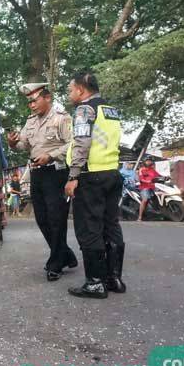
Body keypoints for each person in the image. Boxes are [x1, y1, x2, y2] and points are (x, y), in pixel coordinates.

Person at [7, 82, 78, 281]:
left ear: (47, 98)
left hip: (56, 173)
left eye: (34, 100)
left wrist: (52, 155)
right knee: (42, 219)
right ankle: (66, 254)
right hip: (37, 174)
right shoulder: (30, 121)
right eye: (29, 102)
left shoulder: (62, 119)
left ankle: (55, 263)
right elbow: (23, 144)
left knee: (56, 219)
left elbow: (74, 144)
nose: (31, 105)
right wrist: (13, 143)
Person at [64, 71, 126, 299]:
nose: (69, 93)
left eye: (71, 89)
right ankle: (114, 279)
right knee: (111, 226)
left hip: (91, 177)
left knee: (89, 228)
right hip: (112, 173)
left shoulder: (84, 109)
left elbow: (81, 143)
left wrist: (73, 176)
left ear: (81, 89)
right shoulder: (110, 111)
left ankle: (95, 283)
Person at [137, 157, 161, 221]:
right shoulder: (141, 170)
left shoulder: (152, 170)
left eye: (150, 161)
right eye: (147, 161)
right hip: (144, 187)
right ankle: (140, 217)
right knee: (145, 200)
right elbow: (141, 179)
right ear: (144, 162)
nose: (149, 162)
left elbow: (159, 176)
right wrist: (147, 181)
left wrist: (166, 177)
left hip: (153, 187)